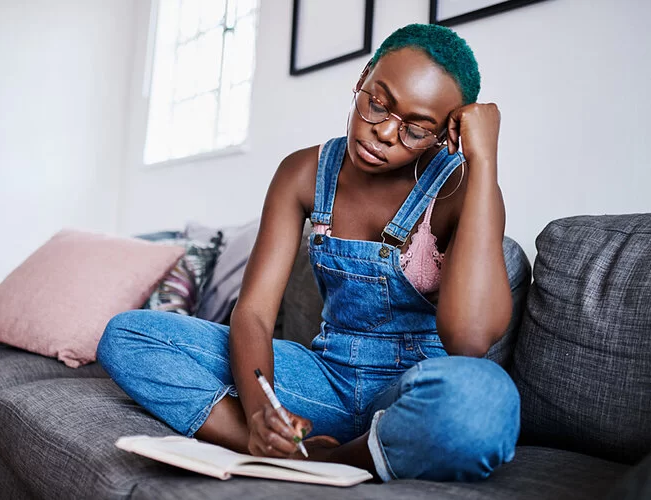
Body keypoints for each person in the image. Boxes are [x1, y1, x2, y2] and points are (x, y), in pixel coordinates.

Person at [97, 23, 520, 482]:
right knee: (128, 336)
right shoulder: (303, 173)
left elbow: (470, 340)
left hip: (414, 389)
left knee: (483, 400)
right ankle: (270, 449)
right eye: (378, 103)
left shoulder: (461, 189)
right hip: (325, 381)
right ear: (364, 76)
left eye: (416, 130)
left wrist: (484, 162)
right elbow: (254, 312)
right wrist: (264, 412)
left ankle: (333, 462)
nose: (383, 132)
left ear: (445, 134)